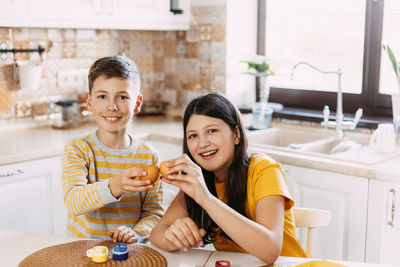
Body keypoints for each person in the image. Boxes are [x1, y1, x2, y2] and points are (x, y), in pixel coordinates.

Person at [150, 93, 307, 264]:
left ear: (236, 134)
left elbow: (270, 251)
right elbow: (157, 233)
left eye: (212, 131)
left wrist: (206, 199)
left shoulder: (264, 170)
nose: (202, 143)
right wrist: (172, 236)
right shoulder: (201, 181)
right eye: (193, 136)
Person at [61, 55, 163, 244]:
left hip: (129, 254)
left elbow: (154, 212)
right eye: (102, 96)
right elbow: (73, 202)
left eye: (122, 97)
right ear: (89, 102)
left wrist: (137, 234)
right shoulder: (78, 149)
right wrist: (116, 186)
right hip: (81, 252)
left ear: (137, 103)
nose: (112, 106)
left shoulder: (149, 156)